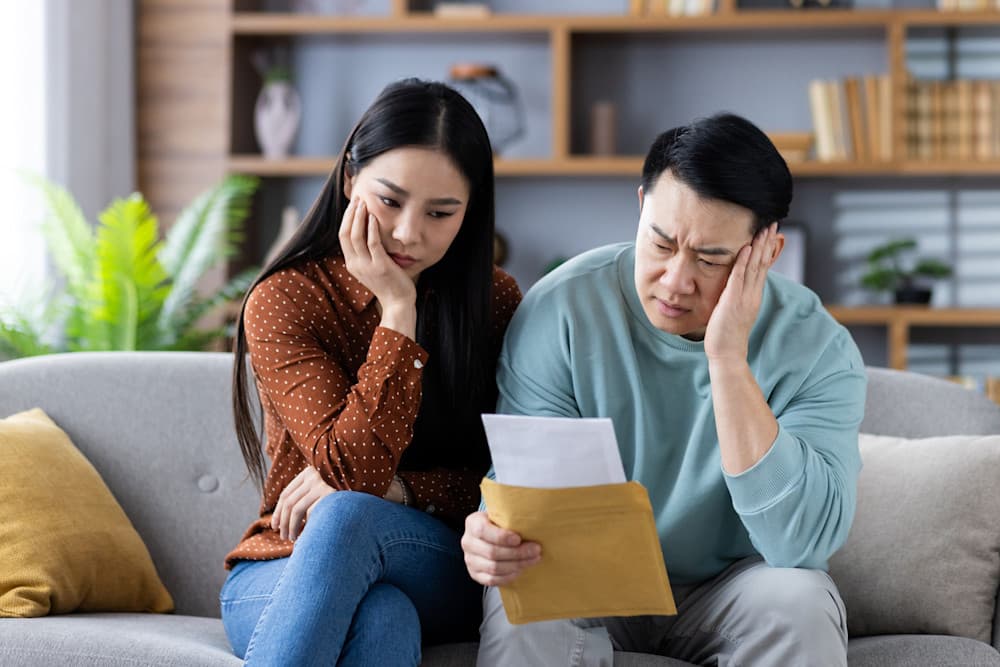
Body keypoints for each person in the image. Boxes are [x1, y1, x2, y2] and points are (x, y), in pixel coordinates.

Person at [462, 113, 866, 666]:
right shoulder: (563, 309)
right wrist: (493, 533)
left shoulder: (817, 347)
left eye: (710, 259)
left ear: (766, 253)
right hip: (588, 581)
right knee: (521, 605)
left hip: (732, 589)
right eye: (661, 243)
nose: (676, 281)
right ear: (640, 207)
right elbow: (529, 492)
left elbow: (800, 544)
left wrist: (726, 359)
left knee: (800, 599)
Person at [221, 78, 522, 667]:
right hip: (283, 562)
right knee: (383, 616)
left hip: (440, 560)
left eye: (441, 213)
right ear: (350, 179)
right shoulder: (287, 299)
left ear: (471, 212)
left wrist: (399, 490)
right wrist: (399, 311)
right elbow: (350, 468)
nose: (409, 233)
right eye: (390, 201)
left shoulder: (499, 303)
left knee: (348, 512)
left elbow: (504, 480)